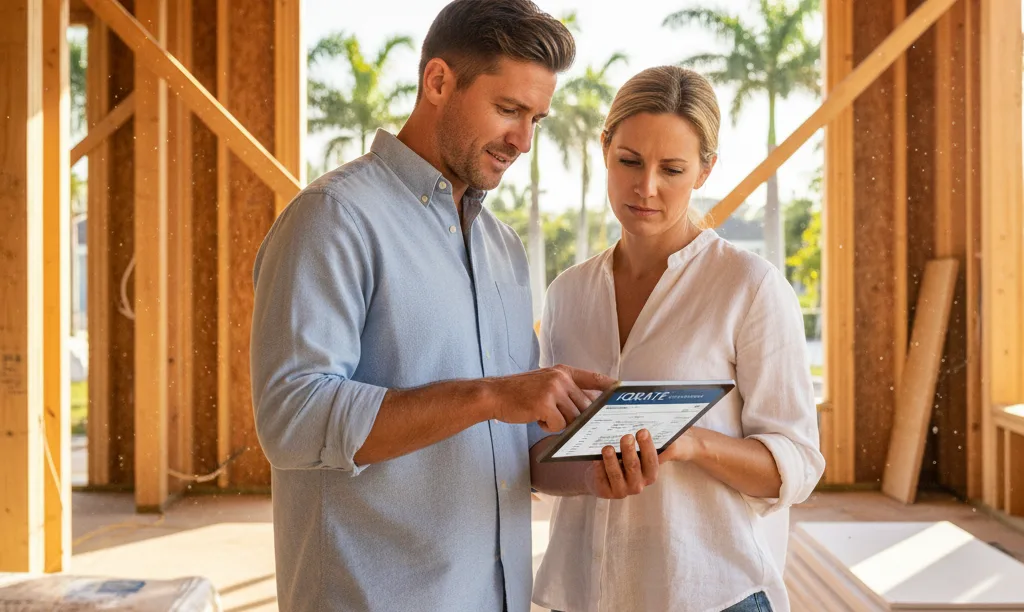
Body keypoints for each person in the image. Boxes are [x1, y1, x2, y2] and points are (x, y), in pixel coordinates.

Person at [249, 2, 623, 610]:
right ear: (438, 82)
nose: (523, 141)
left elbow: (511, 450)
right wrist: (489, 395)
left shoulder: (502, 248)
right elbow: (293, 419)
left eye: (536, 119)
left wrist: (594, 468)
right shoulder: (334, 218)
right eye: (508, 110)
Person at [528, 66, 826, 612]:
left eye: (672, 169)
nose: (647, 188)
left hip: (713, 594)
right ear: (604, 149)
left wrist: (690, 445)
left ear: (705, 171)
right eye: (630, 162)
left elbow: (798, 463)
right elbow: (540, 461)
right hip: (584, 595)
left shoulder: (749, 287)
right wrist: (592, 475)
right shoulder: (567, 294)